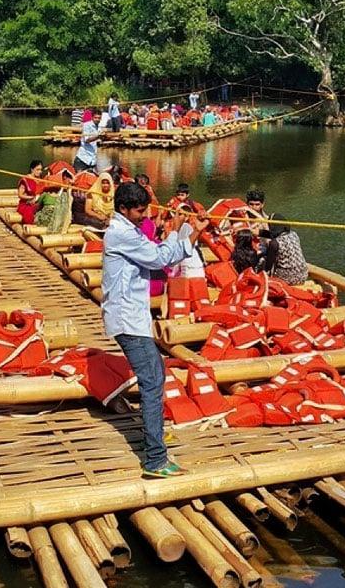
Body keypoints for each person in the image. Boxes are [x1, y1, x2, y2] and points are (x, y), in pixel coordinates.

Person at [102, 182, 209, 478]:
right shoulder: (121, 234)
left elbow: (159, 250)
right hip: (127, 319)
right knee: (151, 381)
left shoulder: (129, 229)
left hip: (134, 317)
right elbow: (160, 258)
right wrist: (187, 232)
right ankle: (155, 459)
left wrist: (187, 230)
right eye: (139, 210)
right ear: (123, 208)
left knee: (156, 373)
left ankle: (156, 433)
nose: (144, 215)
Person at [268, 214, 308, 285]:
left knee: (263, 260)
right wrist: (258, 232)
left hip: (288, 278)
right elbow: (271, 234)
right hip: (303, 275)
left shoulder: (274, 243)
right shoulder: (294, 234)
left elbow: (269, 264)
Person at [17, 160, 45, 224]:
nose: (40, 172)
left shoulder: (41, 180)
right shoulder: (26, 179)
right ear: (32, 169)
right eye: (37, 170)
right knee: (28, 214)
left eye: (41, 170)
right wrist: (31, 198)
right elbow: (20, 195)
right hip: (26, 203)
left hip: (39, 202)